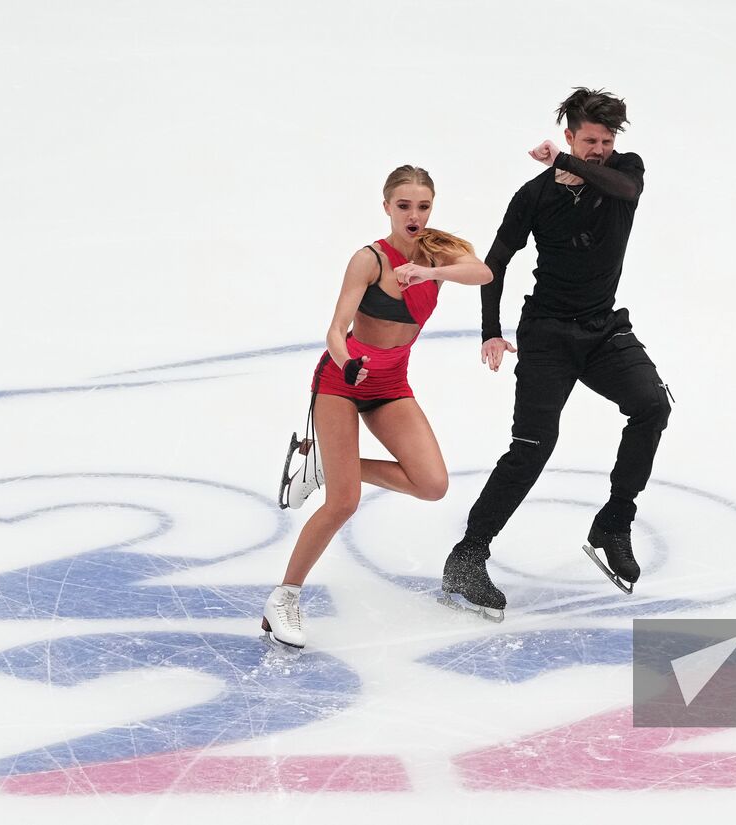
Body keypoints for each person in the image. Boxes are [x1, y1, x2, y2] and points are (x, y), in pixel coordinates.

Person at [439, 88, 672, 621]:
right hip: (547, 334)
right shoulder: (535, 195)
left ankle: (613, 523)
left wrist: (570, 164)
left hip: (604, 330)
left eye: (606, 141)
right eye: (588, 140)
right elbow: (493, 263)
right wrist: (490, 331)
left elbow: (624, 190)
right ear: (570, 134)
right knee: (532, 446)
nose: (599, 150)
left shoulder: (624, 172)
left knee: (652, 405)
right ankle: (468, 556)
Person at [263, 165, 492, 648]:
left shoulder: (438, 251)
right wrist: (347, 363)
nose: (414, 215)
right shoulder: (368, 259)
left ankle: (329, 465)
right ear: (387, 207)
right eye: (404, 206)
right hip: (342, 382)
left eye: (423, 206)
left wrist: (429, 271)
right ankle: (284, 597)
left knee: (431, 484)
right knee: (344, 502)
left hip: (392, 384)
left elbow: (483, 271)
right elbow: (335, 329)